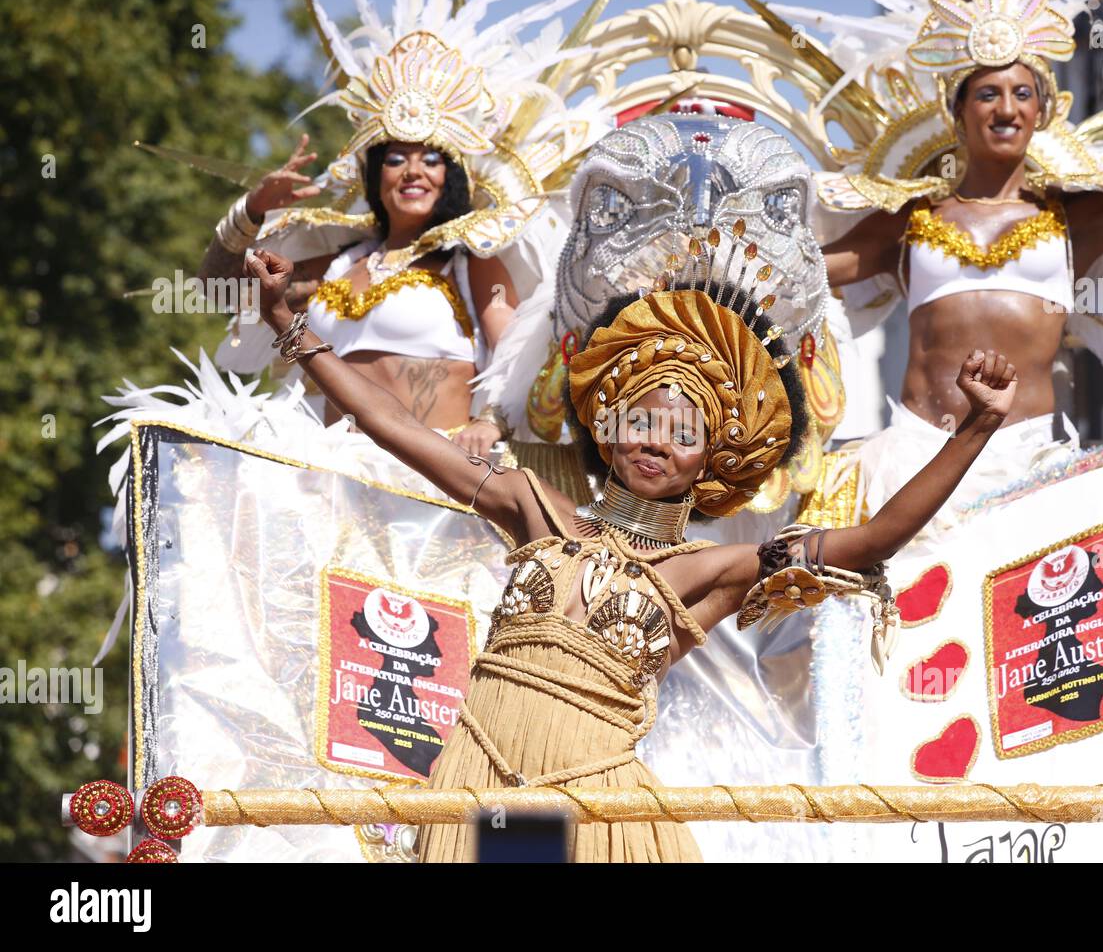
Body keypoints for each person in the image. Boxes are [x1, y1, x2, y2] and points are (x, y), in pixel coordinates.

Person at [243, 225, 1019, 862]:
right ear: (609, 430)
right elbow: (394, 425)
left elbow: (874, 539)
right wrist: (289, 325)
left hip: (600, 813)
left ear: (711, 461)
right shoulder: (531, 506)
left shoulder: (710, 571)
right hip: (477, 784)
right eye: (641, 419)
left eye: (684, 433)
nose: (657, 440)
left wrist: (977, 426)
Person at [758, 0, 1103, 544]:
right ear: (958, 110)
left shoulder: (1077, 224)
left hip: (1032, 467)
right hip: (918, 461)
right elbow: (803, 272)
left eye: (1022, 94)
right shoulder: (907, 222)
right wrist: (697, 274)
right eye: (988, 94)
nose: (1006, 109)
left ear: (1041, 111)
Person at [200, 133, 517, 456]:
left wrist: (491, 421)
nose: (412, 171)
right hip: (333, 479)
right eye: (395, 160)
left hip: (430, 485)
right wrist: (252, 209)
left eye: (431, 160)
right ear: (376, 175)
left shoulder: (470, 265)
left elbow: (514, 353)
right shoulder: (340, 267)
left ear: (451, 177)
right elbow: (222, 288)